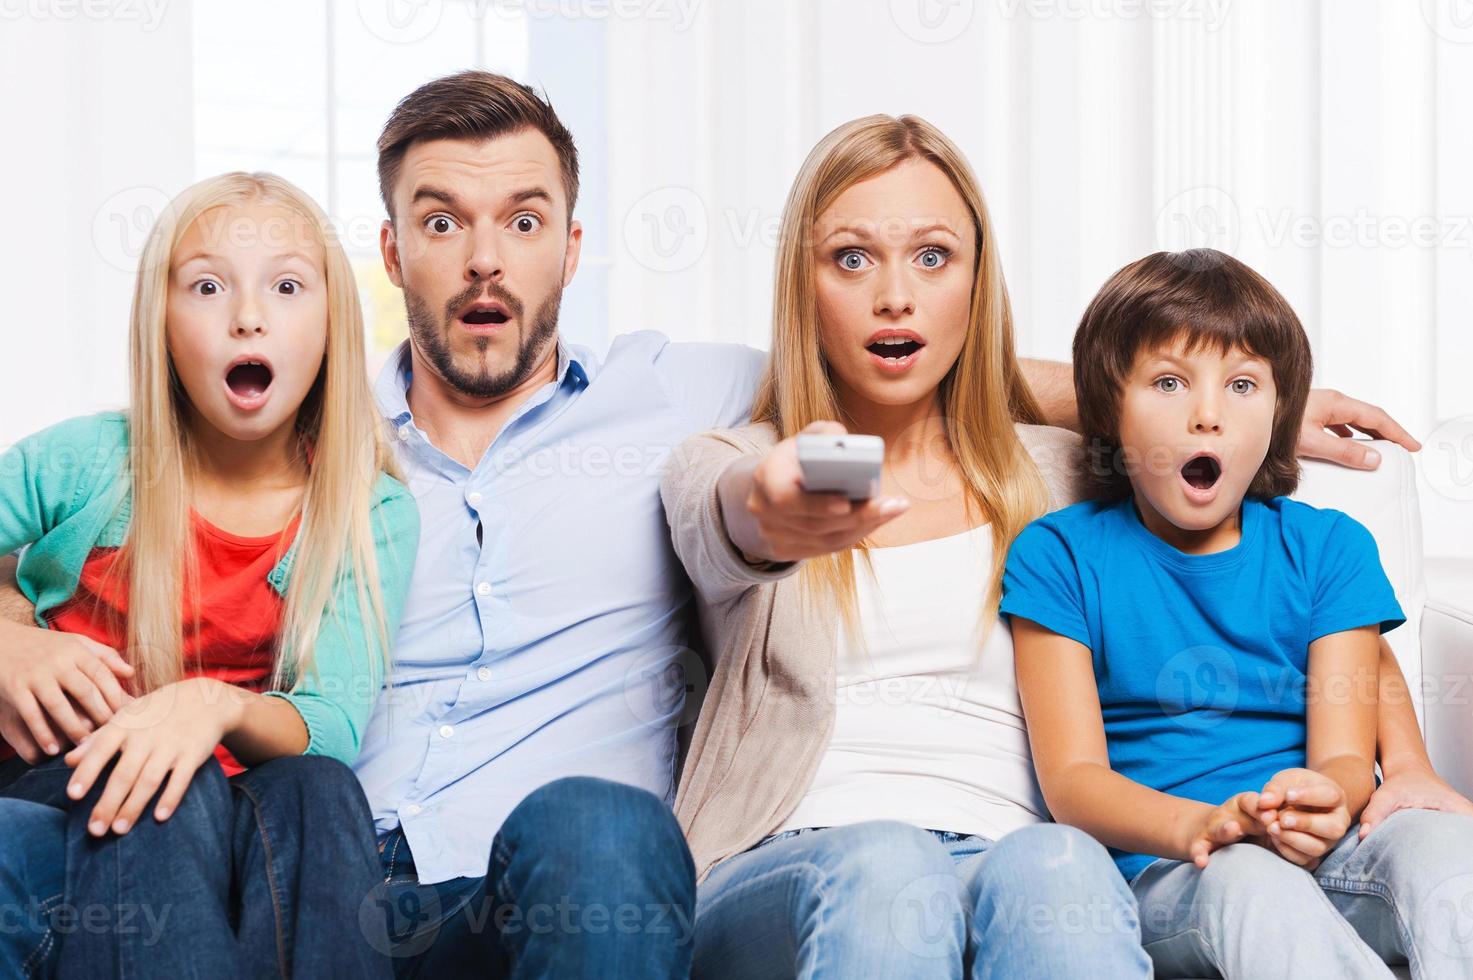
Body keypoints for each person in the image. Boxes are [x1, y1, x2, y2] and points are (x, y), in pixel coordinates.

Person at [0, 70, 1458, 978]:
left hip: (571, 871)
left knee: (627, 830)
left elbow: (888, 393)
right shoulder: (316, 434)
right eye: (440, 222)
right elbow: (744, 501)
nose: (485, 258)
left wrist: (1178, 401)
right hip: (341, 852)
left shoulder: (670, 397)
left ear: (576, 244)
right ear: (387, 255)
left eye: (522, 219)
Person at [1004, 248, 1473, 978]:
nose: (1206, 415)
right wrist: (1207, 825)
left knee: (1447, 856)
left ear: (1279, 415)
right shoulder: (1059, 555)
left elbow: (1345, 757)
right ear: (1107, 406)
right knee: (1249, 879)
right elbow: (1072, 781)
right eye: (1167, 382)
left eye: (1243, 385)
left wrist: (1326, 799)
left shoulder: (1327, 547)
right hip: (1175, 869)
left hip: (1333, 846)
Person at [0, 172, 419, 978]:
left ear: (333, 323)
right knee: (170, 776)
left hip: (242, 810)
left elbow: (329, 722)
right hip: (71, 780)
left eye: (288, 286)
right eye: (206, 286)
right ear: (159, 322)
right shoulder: (87, 461)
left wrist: (208, 707)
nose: (248, 315)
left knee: (322, 787)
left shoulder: (370, 510)